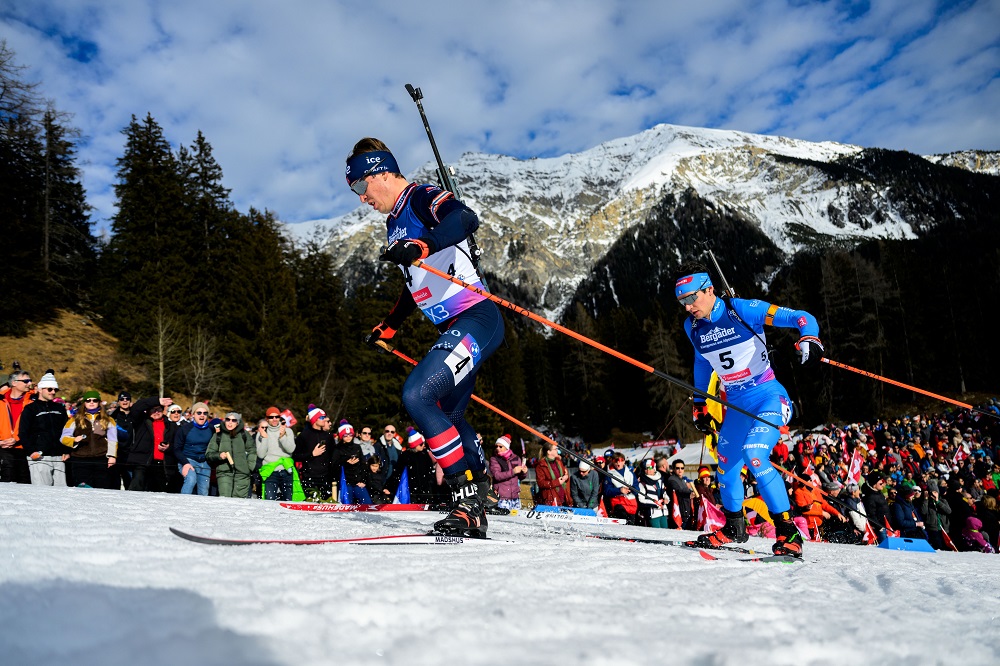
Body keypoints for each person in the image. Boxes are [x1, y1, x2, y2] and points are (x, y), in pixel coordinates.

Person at [350, 138, 505, 537]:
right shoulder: (391, 224)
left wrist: (424, 242)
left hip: (477, 317)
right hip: (453, 326)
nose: (361, 198)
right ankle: (482, 492)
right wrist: (391, 324)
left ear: (381, 172)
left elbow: (464, 219)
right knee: (450, 416)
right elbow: (414, 282)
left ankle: (466, 502)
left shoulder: (420, 197)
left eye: (359, 187)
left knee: (417, 395)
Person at [677, 261, 824, 558]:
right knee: (726, 464)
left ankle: (788, 531)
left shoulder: (742, 309)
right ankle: (734, 528)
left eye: (692, 297)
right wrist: (699, 404)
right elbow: (702, 363)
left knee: (754, 455)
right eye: (682, 301)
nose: (688, 306)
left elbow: (799, 317)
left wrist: (810, 336)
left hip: (768, 397)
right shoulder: (692, 327)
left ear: (709, 289)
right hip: (736, 404)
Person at [18, 371, 69, 486]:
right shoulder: (30, 409)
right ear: (40, 389)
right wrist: (31, 451)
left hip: (59, 456)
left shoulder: (60, 408)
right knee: (42, 494)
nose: (53, 392)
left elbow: (66, 431)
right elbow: (23, 432)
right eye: (50, 389)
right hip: (39, 456)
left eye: (55, 390)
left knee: (63, 494)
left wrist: (66, 450)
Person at [60, 390, 118, 489]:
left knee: (102, 489)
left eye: (94, 400)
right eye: (88, 400)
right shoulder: (74, 419)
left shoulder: (108, 419)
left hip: (101, 459)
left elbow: (113, 439)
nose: (91, 402)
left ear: (99, 402)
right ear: (84, 403)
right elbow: (63, 438)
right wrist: (73, 440)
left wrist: (112, 456)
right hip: (80, 460)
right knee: (83, 490)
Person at [125, 396, 177, 492]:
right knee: (136, 490)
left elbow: (177, 445)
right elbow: (136, 408)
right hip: (143, 462)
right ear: (148, 411)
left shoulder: (171, 426)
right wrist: (156, 400)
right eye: (153, 409)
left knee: (160, 494)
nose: (156, 412)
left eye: (159, 409)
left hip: (162, 465)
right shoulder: (141, 422)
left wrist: (169, 447)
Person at [206, 411, 258, 498]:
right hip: (224, 473)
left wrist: (249, 467)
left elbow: (252, 451)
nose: (230, 422)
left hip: (242, 474)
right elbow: (209, 454)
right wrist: (219, 456)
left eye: (233, 420)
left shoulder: (244, 435)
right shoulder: (218, 435)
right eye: (228, 419)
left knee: (239, 502)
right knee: (225, 500)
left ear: (238, 422)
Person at [256, 406, 300, 501]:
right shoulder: (261, 433)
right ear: (267, 419)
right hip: (270, 471)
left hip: (286, 470)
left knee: (289, 502)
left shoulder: (287, 431)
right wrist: (265, 438)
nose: (274, 419)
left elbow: (291, 449)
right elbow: (261, 455)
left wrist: (282, 437)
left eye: (277, 417)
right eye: (271, 417)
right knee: (269, 502)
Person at [174, 402, 217, 495]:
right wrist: (185, 463)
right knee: (191, 480)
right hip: (188, 460)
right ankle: (182, 504)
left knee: (204, 489)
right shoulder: (185, 429)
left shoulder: (211, 428)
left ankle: (201, 509)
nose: (202, 415)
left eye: (205, 413)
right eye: (199, 413)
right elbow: (176, 448)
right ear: (193, 414)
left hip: (204, 463)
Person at [293, 404, 335, 501]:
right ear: (315, 419)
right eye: (322, 417)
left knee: (326, 508)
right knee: (311, 507)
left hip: (325, 478)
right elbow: (296, 456)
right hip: (309, 478)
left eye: (325, 417)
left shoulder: (328, 436)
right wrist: (312, 454)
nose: (325, 419)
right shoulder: (303, 436)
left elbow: (333, 457)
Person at [0, 368, 34, 484]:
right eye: (25, 381)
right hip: (2, 448)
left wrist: (17, 439)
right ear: (14, 383)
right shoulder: (1, 400)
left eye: (30, 381)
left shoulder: (32, 402)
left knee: (24, 482)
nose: (29, 383)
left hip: (24, 448)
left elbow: (35, 427)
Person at [488, 434, 527, 511]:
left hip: (515, 497)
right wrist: (513, 471)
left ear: (506, 447)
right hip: (502, 498)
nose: (497, 448)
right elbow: (497, 476)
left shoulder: (516, 458)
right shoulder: (494, 459)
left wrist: (524, 472)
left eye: (500, 446)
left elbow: (521, 477)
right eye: (496, 446)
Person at [108, 391, 135, 489]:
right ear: (118, 401)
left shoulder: (135, 416)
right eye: (122, 399)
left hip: (131, 453)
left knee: (130, 483)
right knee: (114, 483)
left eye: (127, 399)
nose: (124, 401)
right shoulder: (112, 417)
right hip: (117, 453)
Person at [534, 441, 571, 506]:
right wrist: (557, 482)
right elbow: (541, 483)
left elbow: (565, 475)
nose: (557, 450)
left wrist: (566, 477)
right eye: (555, 449)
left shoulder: (558, 461)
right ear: (549, 452)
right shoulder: (541, 465)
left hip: (564, 497)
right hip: (551, 498)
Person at [636, 458, 669, 528]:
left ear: (654, 468)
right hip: (653, 513)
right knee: (657, 533)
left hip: (663, 512)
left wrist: (666, 499)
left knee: (666, 533)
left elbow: (664, 493)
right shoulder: (642, 482)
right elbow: (641, 500)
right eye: (646, 468)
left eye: (650, 467)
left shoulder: (659, 480)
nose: (648, 470)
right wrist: (655, 503)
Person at [665, 460, 695, 529]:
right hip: (678, 513)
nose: (680, 470)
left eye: (682, 468)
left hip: (686, 512)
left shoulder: (683, 480)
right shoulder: (672, 479)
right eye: (677, 468)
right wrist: (688, 494)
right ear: (673, 469)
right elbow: (677, 490)